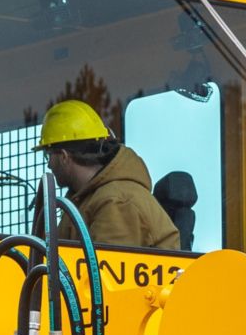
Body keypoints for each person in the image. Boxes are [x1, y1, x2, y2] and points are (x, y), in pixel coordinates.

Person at [39, 99, 180, 251]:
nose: (49, 165)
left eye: (49, 156)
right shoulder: (85, 200)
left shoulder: (117, 200)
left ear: (63, 156)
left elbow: (104, 270)